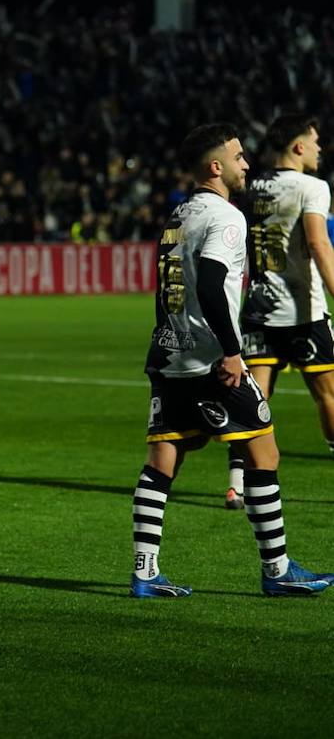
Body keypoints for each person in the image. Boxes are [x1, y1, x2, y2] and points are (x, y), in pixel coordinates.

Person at [132, 122, 329, 598]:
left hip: (169, 356)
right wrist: (233, 352)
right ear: (215, 167)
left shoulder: (178, 215)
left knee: (162, 461)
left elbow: (169, 292)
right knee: (265, 452)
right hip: (209, 360)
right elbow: (209, 286)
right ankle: (277, 569)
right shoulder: (226, 217)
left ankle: (144, 571)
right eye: (238, 157)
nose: (246, 165)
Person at [224, 115, 334, 507]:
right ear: (299, 146)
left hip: (257, 309)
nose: (321, 148)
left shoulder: (252, 186)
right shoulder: (313, 188)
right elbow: (319, 245)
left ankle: (237, 483)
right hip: (303, 311)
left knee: (255, 399)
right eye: (316, 140)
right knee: (328, 396)